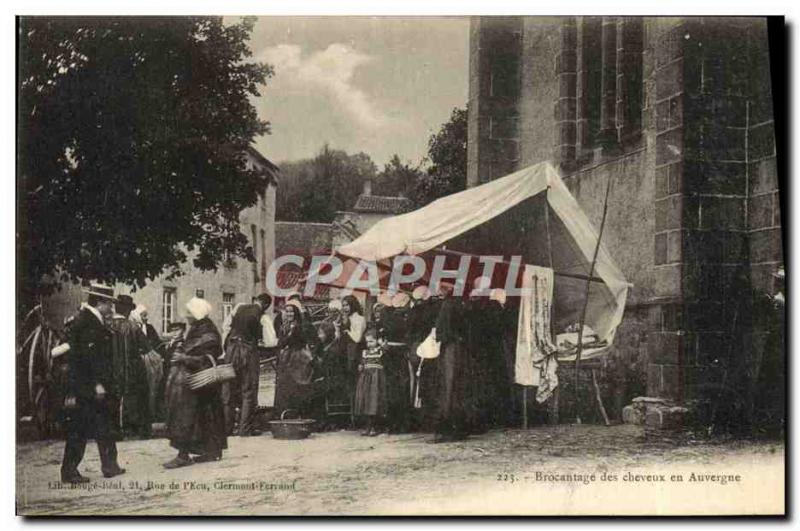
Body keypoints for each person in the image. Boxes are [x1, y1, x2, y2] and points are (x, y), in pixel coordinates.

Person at [60, 283, 125, 483]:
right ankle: (69, 471)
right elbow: (87, 358)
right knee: (79, 428)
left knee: (105, 425)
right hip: (88, 387)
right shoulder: (86, 322)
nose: (112, 308)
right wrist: (97, 383)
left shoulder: (92, 320)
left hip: (96, 386)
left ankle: (110, 465)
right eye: (109, 304)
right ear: (99, 302)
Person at [164, 298, 227, 468]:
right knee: (204, 418)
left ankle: (183, 455)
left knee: (187, 418)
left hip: (200, 382)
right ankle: (211, 452)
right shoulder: (198, 329)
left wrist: (185, 358)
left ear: (197, 314)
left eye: (189, 312)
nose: (186, 315)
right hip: (197, 384)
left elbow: (209, 358)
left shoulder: (207, 332)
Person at [222, 293, 275, 436]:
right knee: (248, 390)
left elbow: (225, 326)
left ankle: (226, 429)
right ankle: (244, 429)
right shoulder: (263, 317)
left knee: (229, 390)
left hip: (231, 350)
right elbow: (271, 342)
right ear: (266, 305)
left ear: (255, 299)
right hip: (248, 352)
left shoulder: (238, 308)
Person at [108, 294, 151, 439]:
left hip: (110, 368)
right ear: (127, 310)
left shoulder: (106, 325)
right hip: (131, 368)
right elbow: (146, 347)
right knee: (132, 397)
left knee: (112, 397)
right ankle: (129, 429)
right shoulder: (133, 327)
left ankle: (113, 429)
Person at [274, 303, 315, 416]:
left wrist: (291, 333)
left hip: (299, 358)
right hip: (287, 358)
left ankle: (302, 413)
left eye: (291, 311)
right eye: (287, 312)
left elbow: (293, 341)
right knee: (286, 386)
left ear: (296, 313)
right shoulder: (284, 327)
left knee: (299, 385)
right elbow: (281, 343)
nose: (289, 314)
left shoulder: (301, 326)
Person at [354, 326, 388, 436]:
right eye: (367, 342)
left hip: (376, 379)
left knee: (375, 402)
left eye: (372, 341)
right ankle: (367, 427)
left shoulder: (380, 351)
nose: (369, 344)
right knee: (366, 402)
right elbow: (362, 362)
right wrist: (361, 366)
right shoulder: (364, 352)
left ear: (377, 340)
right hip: (366, 379)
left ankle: (375, 427)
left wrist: (381, 343)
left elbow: (387, 350)